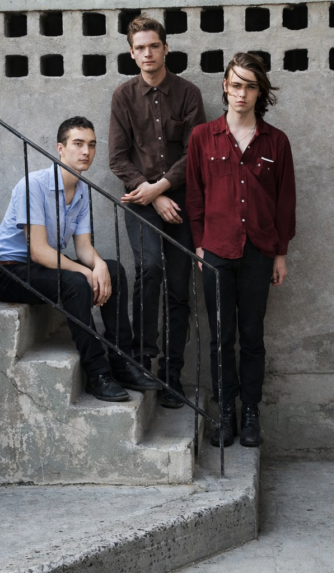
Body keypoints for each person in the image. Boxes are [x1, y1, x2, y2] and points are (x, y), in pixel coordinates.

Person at [0, 117, 153, 402]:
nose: (86, 151)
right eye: (78, 143)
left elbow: (84, 247)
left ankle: (122, 362)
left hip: (41, 266)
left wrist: (99, 266)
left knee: (113, 270)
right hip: (7, 270)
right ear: (60, 148)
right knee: (76, 281)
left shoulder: (81, 189)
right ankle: (97, 373)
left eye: (92, 145)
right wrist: (86, 272)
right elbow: (38, 250)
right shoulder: (33, 185)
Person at [186, 52, 296, 448]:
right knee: (220, 337)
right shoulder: (203, 137)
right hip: (216, 250)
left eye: (250, 86)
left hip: (259, 252)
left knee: (252, 336)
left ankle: (250, 414)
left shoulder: (276, 141)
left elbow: (285, 201)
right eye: (236, 84)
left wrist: (280, 254)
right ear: (225, 86)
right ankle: (225, 413)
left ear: (259, 92)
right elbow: (195, 195)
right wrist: (200, 245)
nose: (241, 93)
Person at [108, 14, 206, 409]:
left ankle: (172, 375)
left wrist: (162, 189)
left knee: (179, 288)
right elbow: (117, 159)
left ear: (166, 48)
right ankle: (141, 360)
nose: (147, 53)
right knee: (149, 269)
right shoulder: (123, 97)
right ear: (132, 54)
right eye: (140, 48)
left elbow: (195, 154)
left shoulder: (188, 94)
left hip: (181, 202)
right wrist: (151, 194)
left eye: (153, 46)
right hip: (141, 200)